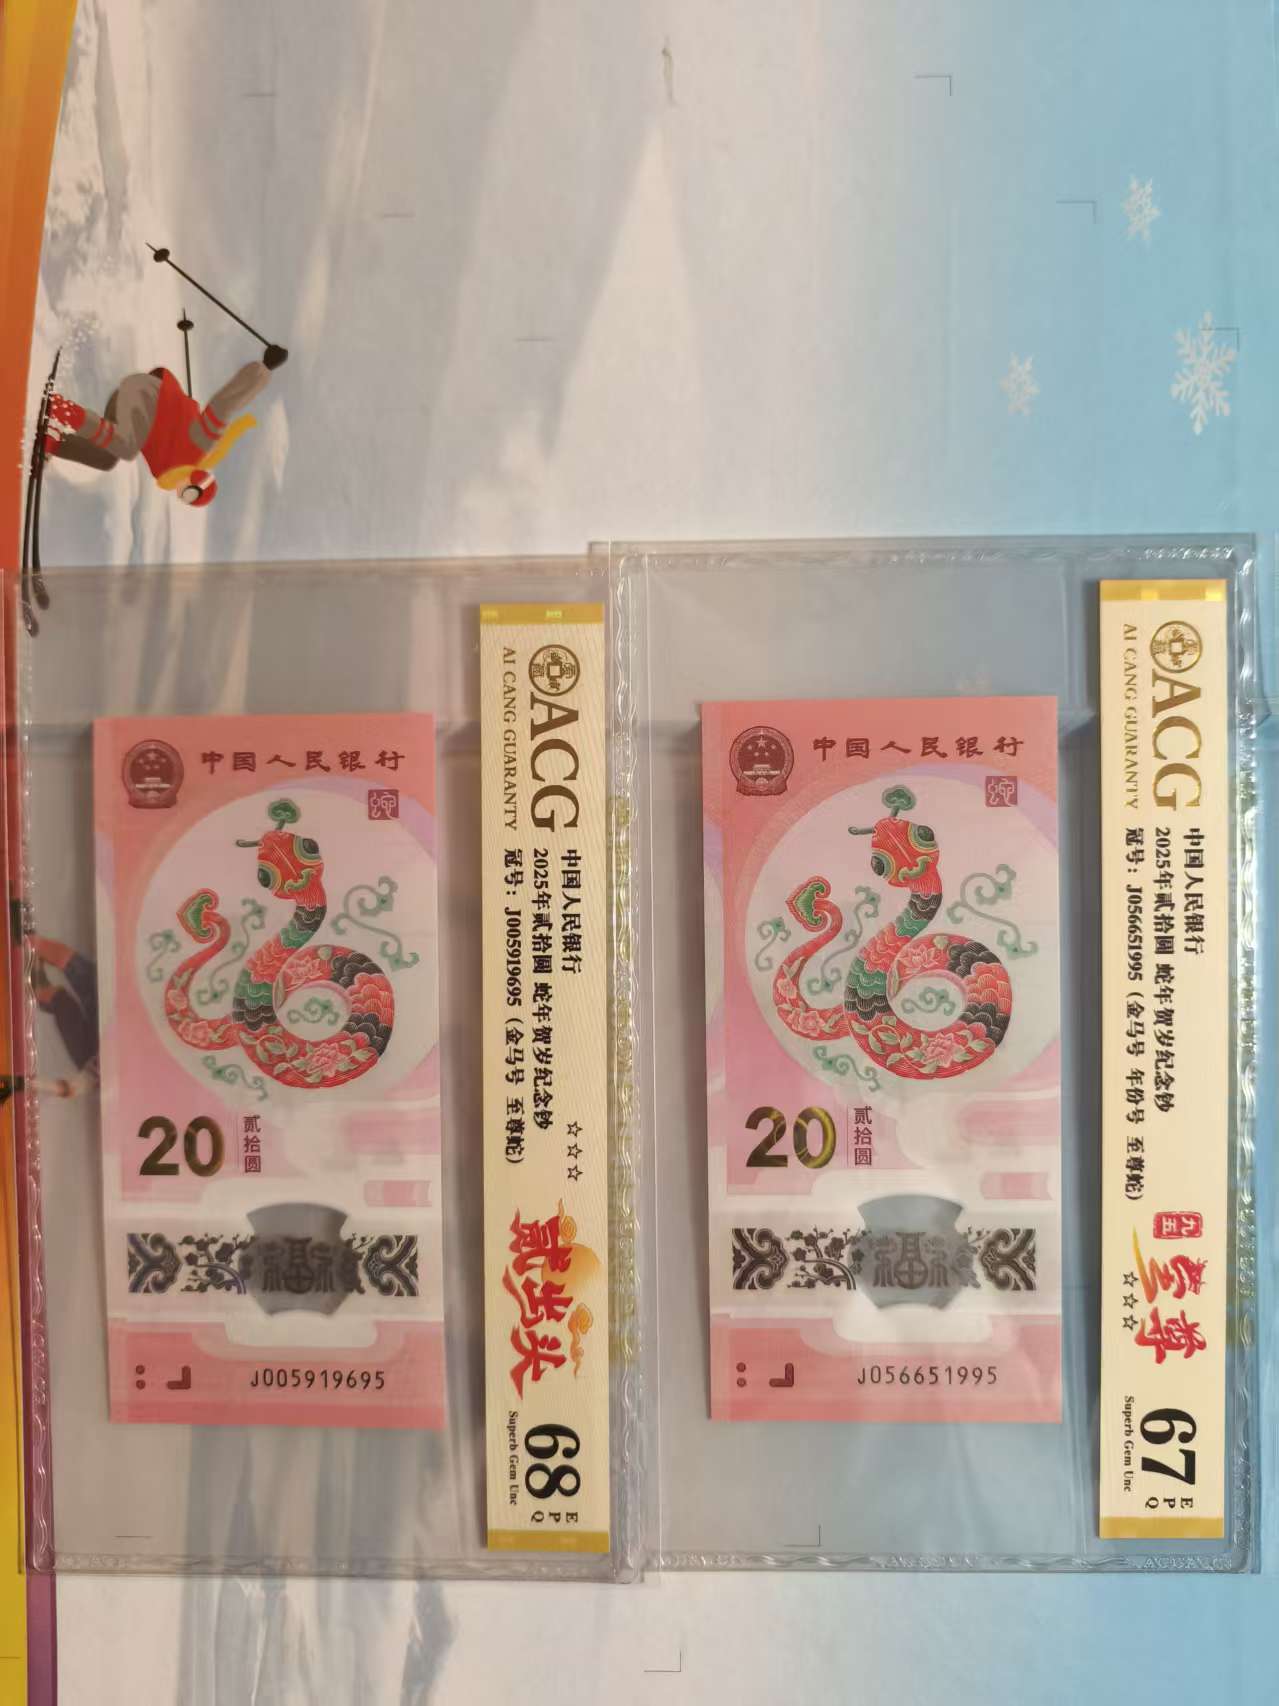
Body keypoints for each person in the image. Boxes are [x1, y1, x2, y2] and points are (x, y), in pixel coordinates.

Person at [42, 342, 287, 507]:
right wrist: (262, 370)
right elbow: (224, 405)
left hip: (130, 409)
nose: (181, 496)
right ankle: (60, 408)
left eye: (186, 500)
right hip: (148, 397)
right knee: (126, 447)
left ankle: (52, 441)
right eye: (189, 494)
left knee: (107, 459)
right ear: (196, 480)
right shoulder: (200, 447)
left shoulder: (164, 472)